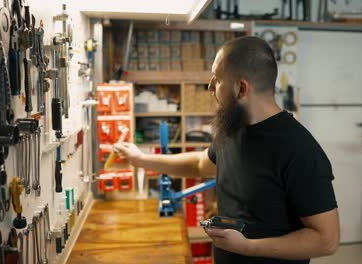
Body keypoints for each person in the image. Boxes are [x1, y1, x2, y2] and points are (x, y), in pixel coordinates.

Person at [114, 36, 340, 264]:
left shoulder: (299, 150)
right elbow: (200, 163)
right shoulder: (234, 128)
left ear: (241, 88)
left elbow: (326, 240)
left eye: (217, 79)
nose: (210, 87)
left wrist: (247, 247)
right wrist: (141, 159)